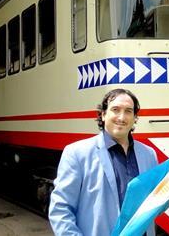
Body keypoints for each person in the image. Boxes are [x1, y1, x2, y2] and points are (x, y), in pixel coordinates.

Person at [49, 89, 158, 236]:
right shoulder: (77, 153)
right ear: (103, 114)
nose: (122, 117)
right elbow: (60, 209)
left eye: (128, 111)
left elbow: (155, 201)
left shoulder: (148, 154)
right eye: (115, 110)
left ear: (135, 118)